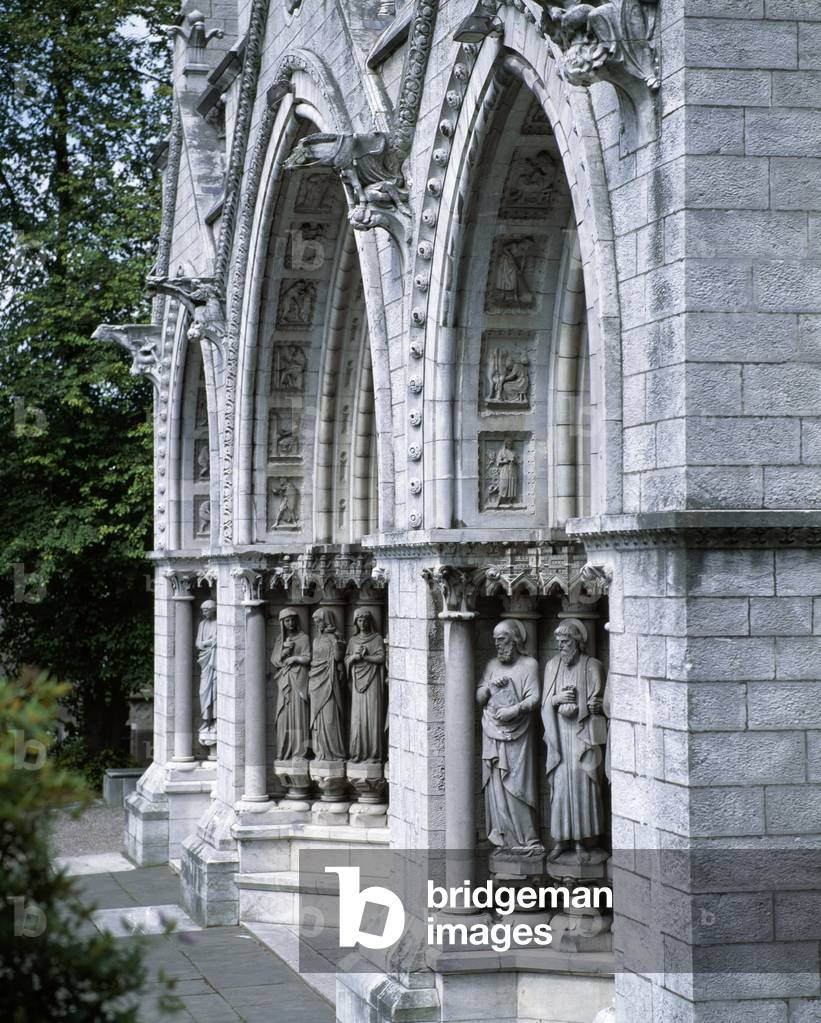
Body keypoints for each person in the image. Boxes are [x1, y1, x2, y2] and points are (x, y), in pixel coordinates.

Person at [541, 619, 608, 862]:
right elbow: (545, 703)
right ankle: (560, 840)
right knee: (560, 789)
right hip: (559, 739)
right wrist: (557, 699)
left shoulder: (592, 666)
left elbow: (602, 703)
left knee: (584, 789)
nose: (561, 647)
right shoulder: (551, 666)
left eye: (566, 642)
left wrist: (594, 706)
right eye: (558, 642)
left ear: (578, 642)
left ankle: (583, 842)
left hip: (583, 737)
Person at [476, 619, 543, 857]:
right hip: (493, 732)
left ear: (515, 640)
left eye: (502, 640)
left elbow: (535, 698)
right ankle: (504, 840)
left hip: (519, 734)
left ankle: (527, 840)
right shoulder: (492, 664)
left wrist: (515, 710)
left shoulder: (529, 665)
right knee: (496, 787)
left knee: (517, 785)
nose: (498, 645)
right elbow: (479, 696)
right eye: (495, 641)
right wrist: (490, 687)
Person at [346, 608, 387, 763]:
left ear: (370, 621)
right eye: (359, 620)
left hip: (373, 682)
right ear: (356, 622)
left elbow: (381, 658)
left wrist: (366, 656)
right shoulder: (352, 641)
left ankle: (374, 754)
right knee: (358, 719)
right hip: (357, 685)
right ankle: (358, 753)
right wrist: (354, 657)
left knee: (372, 716)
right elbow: (347, 660)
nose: (362, 623)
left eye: (365, 620)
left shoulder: (376, 638)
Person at [271, 608, 311, 759]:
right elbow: (275, 661)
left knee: (299, 714)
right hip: (284, 679)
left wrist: (295, 658)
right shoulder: (280, 640)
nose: (291, 623)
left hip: (299, 679)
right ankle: (285, 750)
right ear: (282, 623)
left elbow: (308, 658)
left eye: (293, 619)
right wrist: (284, 653)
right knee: (283, 715)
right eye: (287, 620)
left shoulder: (304, 638)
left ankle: (299, 751)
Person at [309, 608, 347, 761]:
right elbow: (313, 660)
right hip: (315, 682)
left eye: (319, 620)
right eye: (315, 621)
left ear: (326, 620)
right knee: (318, 718)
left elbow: (338, 658)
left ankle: (334, 752)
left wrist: (337, 642)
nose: (317, 624)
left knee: (330, 717)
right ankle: (321, 752)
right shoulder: (316, 640)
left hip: (330, 681)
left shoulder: (335, 637)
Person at [196, 600, 218, 749]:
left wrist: (207, 643)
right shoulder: (202, 624)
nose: (203, 612)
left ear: (213, 610)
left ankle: (214, 719)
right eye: (202, 610)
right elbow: (198, 643)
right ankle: (206, 719)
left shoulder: (219, 623)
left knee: (215, 690)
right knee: (203, 691)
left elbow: (218, 640)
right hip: (205, 661)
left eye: (206, 610)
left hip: (215, 662)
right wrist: (207, 643)